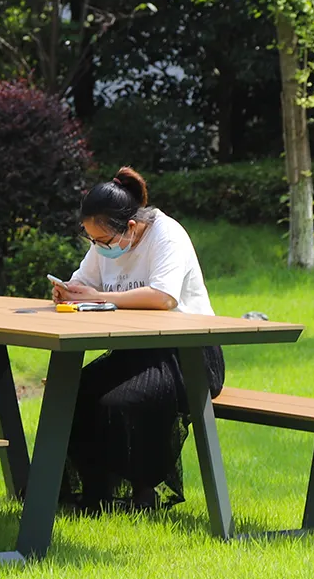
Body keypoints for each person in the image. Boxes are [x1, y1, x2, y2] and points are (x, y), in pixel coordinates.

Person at [52, 166, 225, 513]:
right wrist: (67, 292)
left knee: (122, 401)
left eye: (102, 241)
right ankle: (94, 495)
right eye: (91, 241)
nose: (98, 248)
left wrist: (99, 297)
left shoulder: (167, 235)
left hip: (187, 355)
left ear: (130, 228)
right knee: (73, 392)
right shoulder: (105, 243)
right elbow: (82, 282)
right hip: (135, 351)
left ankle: (144, 496)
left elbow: (164, 297)